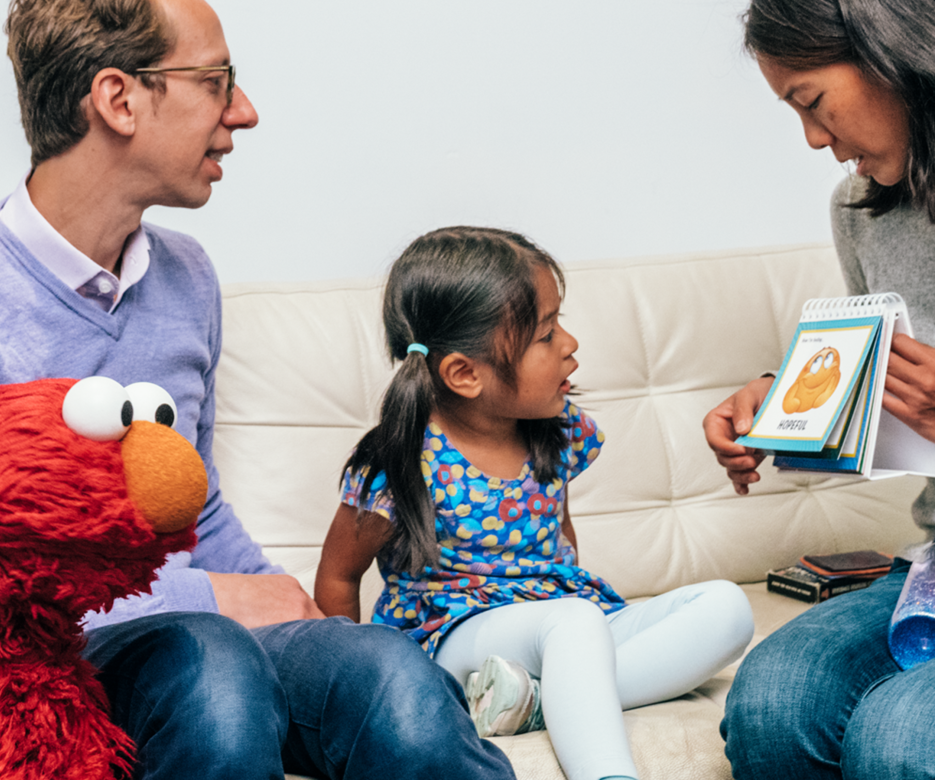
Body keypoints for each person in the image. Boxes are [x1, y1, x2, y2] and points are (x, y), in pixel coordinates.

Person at [0, 1, 518, 778]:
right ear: (118, 99)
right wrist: (215, 600)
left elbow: (195, 508)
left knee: (384, 672)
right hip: (46, 676)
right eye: (218, 81)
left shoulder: (186, 277)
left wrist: (278, 600)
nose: (245, 112)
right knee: (215, 667)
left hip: (191, 636)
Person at [314, 226, 755, 780]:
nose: (570, 344)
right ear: (464, 373)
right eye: (546, 334)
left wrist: (577, 632)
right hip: (451, 639)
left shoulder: (555, 431)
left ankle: (536, 702)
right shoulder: (401, 461)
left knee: (726, 607)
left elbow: (563, 544)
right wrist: (359, 689)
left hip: (563, 622)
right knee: (572, 623)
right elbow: (337, 576)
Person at [703, 1, 935, 778]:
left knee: (901, 740)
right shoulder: (863, 211)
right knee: (772, 703)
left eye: (811, 101)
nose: (813, 139)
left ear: (892, 53)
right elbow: (885, 396)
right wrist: (786, 402)